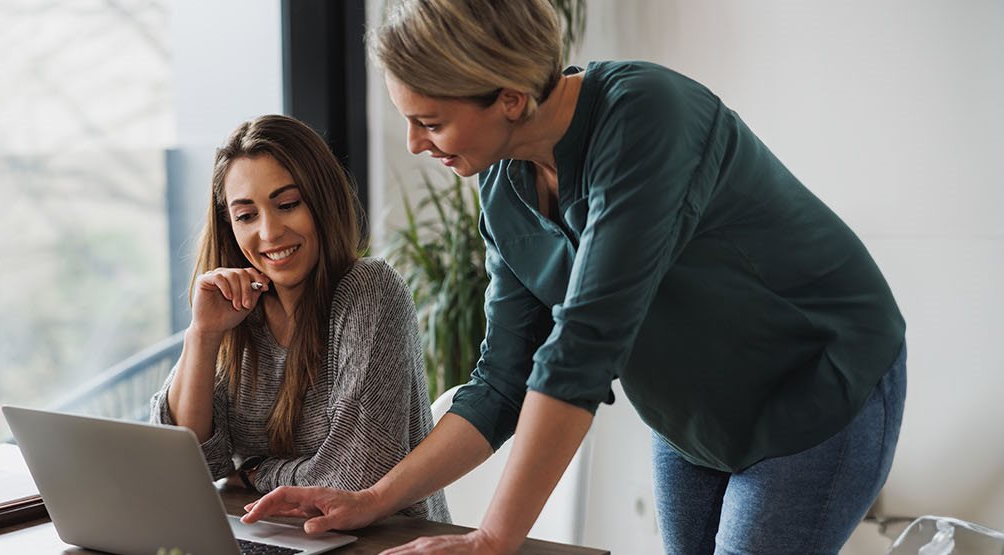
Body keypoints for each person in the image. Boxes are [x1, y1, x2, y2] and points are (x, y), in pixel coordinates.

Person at [241, 1, 906, 553]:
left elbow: (581, 349)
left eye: (430, 121)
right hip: (695, 414)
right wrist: (373, 498)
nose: (416, 144)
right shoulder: (502, 183)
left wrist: (493, 538)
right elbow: (503, 380)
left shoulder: (649, 118)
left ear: (508, 98)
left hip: (815, 382)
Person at [149, 114, 449, 522]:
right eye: (247, 216)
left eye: (287, 205)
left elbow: (357, 475)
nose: (269, 232)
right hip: (273, 534)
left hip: (384, 542)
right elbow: (182, 465)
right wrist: (202, 334)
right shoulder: (239, 312)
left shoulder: (370, 290)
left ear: (321, 200)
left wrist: (257, 471)